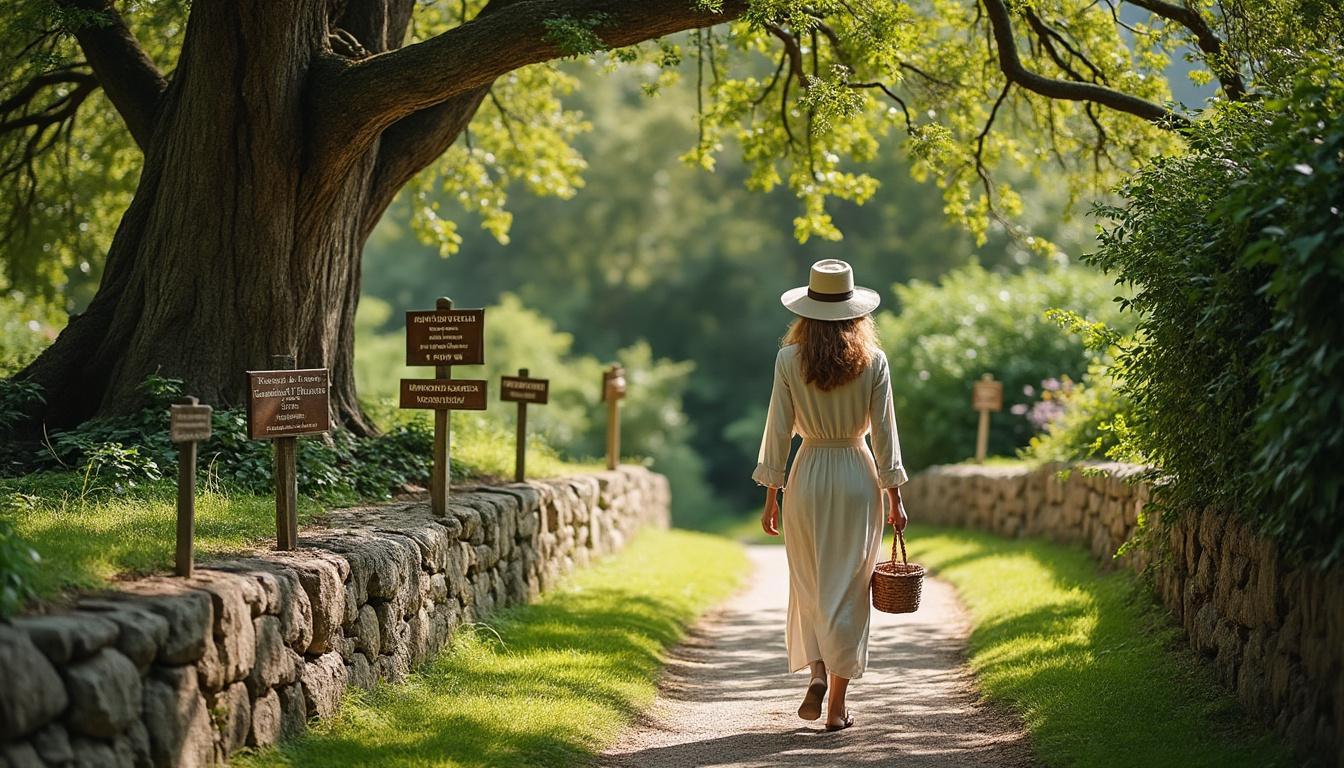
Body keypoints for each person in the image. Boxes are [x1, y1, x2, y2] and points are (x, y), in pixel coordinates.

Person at [752, 258, 909, 732]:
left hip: (808, 473)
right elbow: (884, 434)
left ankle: (817, 671)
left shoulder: (787, 361)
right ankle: (837, 705)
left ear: (807, 312)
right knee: (849, 589)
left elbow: (778, 432)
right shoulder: (874, 362)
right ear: (856, 313)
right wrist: (894, 495)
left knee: (810, 582)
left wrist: (771, 494)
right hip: (857, 476)